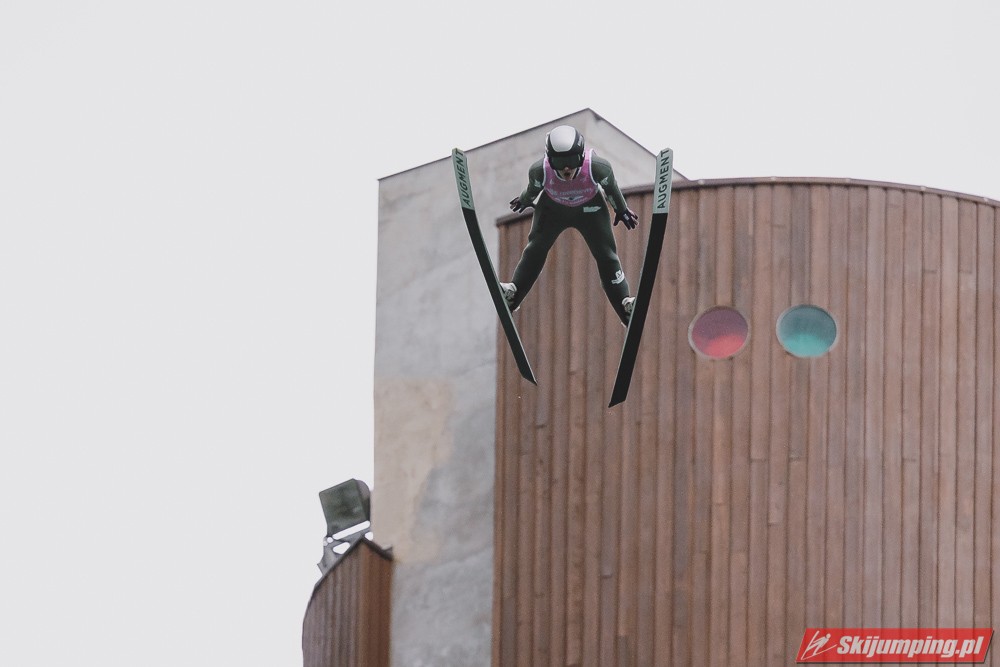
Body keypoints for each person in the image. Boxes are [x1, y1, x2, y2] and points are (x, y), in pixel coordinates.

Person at [501, 125, 639, 326]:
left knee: (607, 255)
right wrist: (524, 199)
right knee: (535, 248)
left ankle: (624, 305)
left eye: (572, 160)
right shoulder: (540, 170)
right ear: (549, 159)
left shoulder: (597, 167)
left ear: (581, 156)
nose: (566, 168)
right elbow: (532, 190)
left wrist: (622, 209)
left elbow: (612, 189)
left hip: (590, 210)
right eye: (559, 162)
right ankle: (513, 294)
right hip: (553, 210)